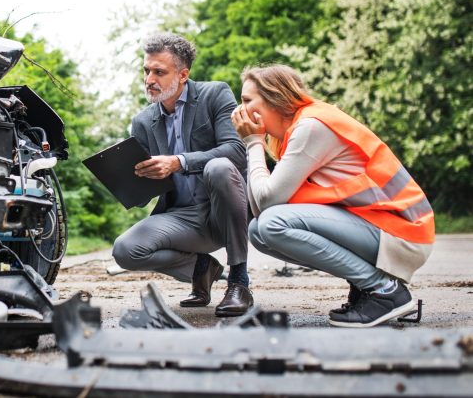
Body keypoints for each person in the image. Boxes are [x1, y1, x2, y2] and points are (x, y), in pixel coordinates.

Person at [231, 64, 434, 327]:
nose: (239, 110)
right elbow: (261, 206)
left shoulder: (311, 127)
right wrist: (257, 141)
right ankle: (366, 286)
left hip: (403, 233)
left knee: (272, 225)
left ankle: (384, 291)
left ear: (274, 99)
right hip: (381, 227)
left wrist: (254, 142)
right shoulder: (296, 130)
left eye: (247, 100)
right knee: (259, 231)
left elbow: (268, 202)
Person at [112, 33, 252, 317]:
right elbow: (145, 192)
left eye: (159, 72)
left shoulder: (215, 94)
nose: (150, 79)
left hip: (223, 209)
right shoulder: (142, 122)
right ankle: (202, 268)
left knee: (220, 166)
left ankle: (239, 281)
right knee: (125, 250)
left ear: (183, 74)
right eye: (146, 71)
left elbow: (237, 152)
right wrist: (126, 182)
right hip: (182, 217)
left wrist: (178, 162)